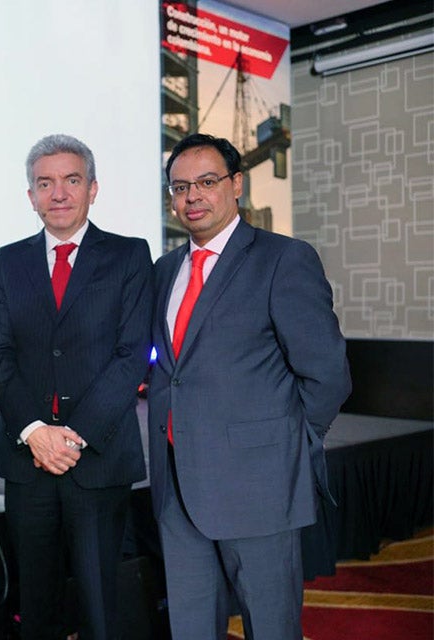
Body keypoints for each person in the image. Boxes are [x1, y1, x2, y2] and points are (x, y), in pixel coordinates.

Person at [149, 132, 351, 638]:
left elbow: (327, 372)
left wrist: (289, 443)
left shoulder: (283, 259)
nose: (192, 196)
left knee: (270, 626)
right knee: (190, 627)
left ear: (236, 184)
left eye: (207, 182)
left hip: (259, 485)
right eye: (180, 187)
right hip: (177, 484)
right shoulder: (165, 270)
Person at [0, 133, 154, 639]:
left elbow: (131, 356)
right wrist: (36, 432)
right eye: (45, 183)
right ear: (31, 196)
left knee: (100, 606)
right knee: (35, 606)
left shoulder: (129, 256)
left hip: (99, 460)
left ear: (93, 189)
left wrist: (72, 437)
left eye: (71, 180)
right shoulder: (7, 261)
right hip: (28, 462)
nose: (58, 193)